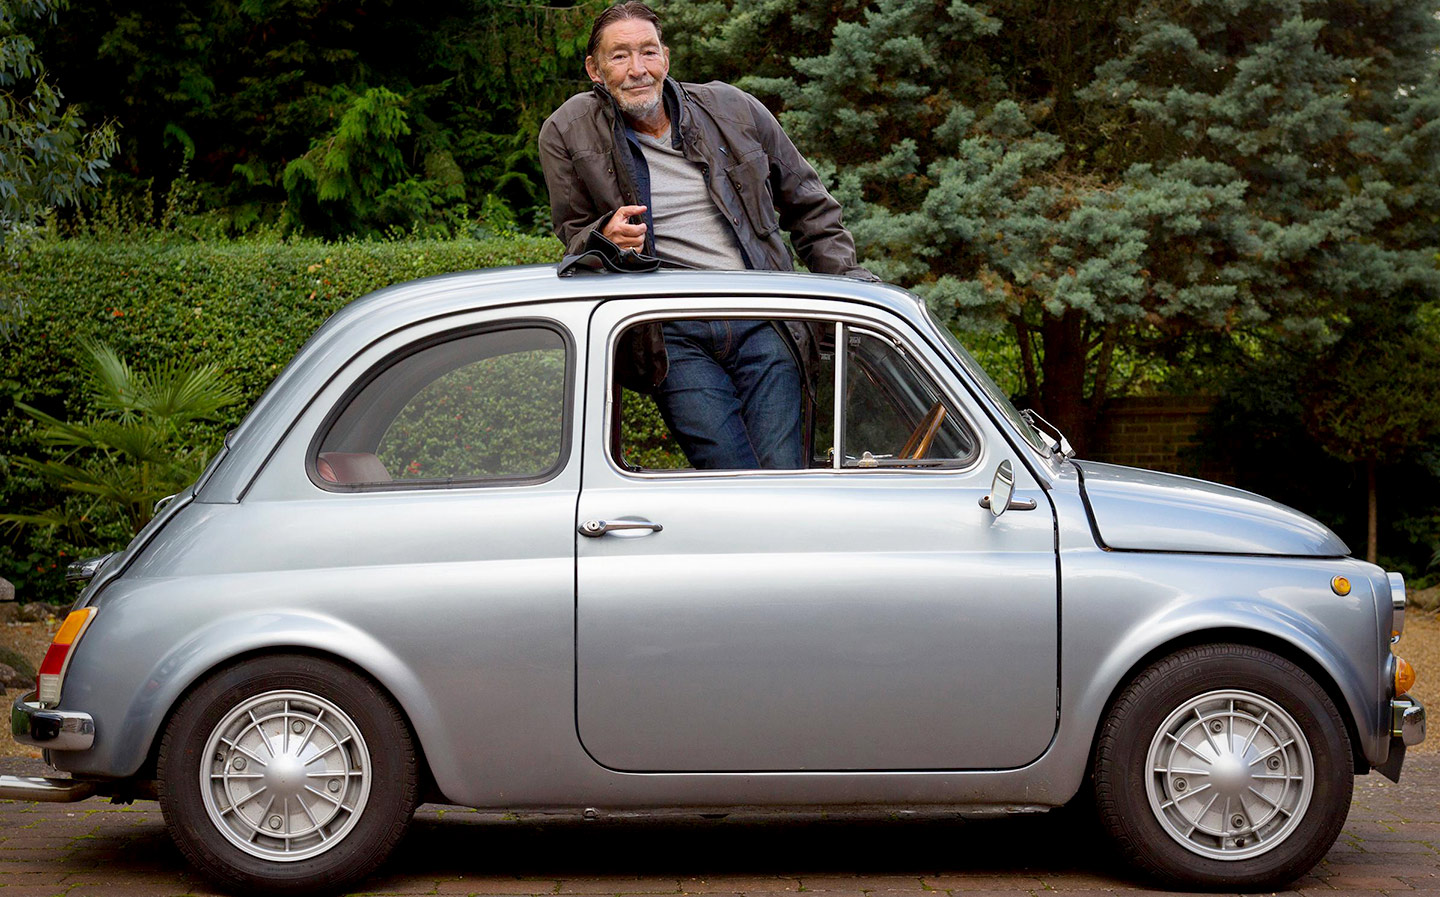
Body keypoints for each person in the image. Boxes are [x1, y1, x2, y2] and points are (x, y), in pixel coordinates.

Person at [538, 1, 874, 469]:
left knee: (784, 473)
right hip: (671, 333)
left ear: (666, 58)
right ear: (595, 69)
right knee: (726, 472)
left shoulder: (732, 108)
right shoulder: (565, 132)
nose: (638, 69)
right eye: (619, 56)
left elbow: (809, 204)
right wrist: (603, 239)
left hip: (763, 316)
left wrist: (851, 290)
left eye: (648, 52)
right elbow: (574, 238)